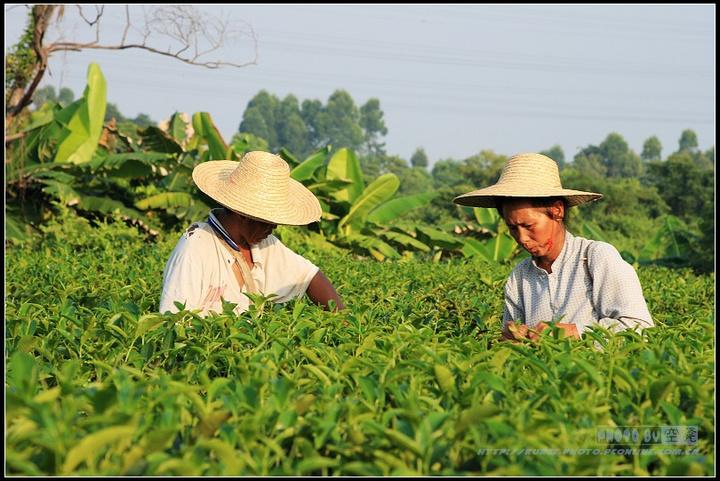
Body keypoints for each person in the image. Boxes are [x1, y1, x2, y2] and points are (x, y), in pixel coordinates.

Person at [453, 152, 653, 342]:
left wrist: (575, 332)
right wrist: (511, 338)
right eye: (512, 228)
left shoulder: (595, 258)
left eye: (528, 226)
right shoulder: (520, 276)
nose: (522, 238)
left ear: (557, 210)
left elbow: (639, 328)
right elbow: (512, 341)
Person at [160, 151, 344, 316]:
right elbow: (174, 321)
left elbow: (310, 276)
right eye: (267, 221)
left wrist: (342, 323)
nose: (273, 228)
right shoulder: (196, 248)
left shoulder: (263, 245)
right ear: (243, 215)